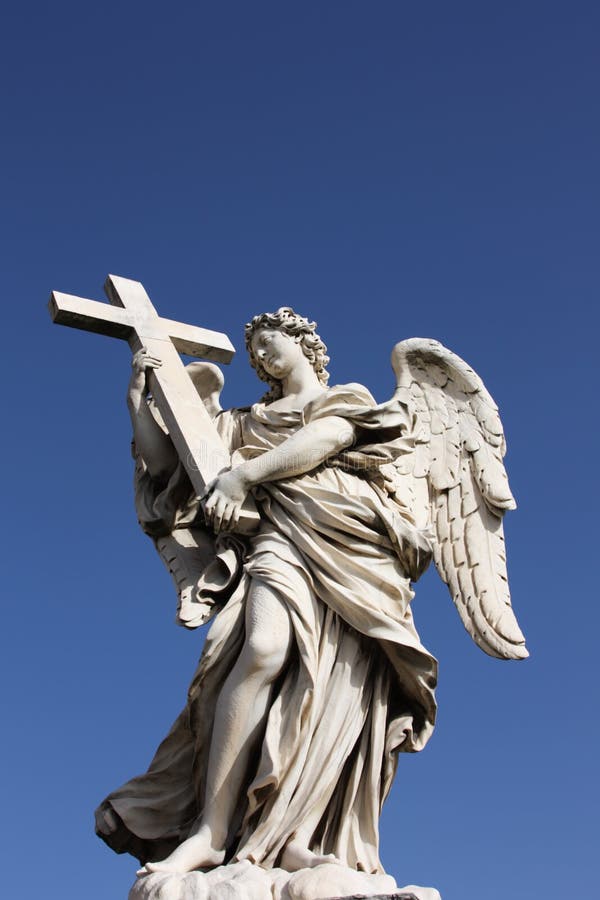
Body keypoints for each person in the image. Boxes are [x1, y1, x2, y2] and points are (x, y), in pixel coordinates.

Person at [95, 307, 437, 877]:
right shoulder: (242, 420)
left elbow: (325, 439)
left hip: (355, 544)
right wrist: (139, 396)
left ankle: (298, 831)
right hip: (279, 536)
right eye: (253, 350)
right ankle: (211, 830)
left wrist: (246, 476)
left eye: (268, 342)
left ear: (304, 341)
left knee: (338, 686)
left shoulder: (346, 397)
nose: (259, 356)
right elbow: (167, 467)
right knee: (262, 651)